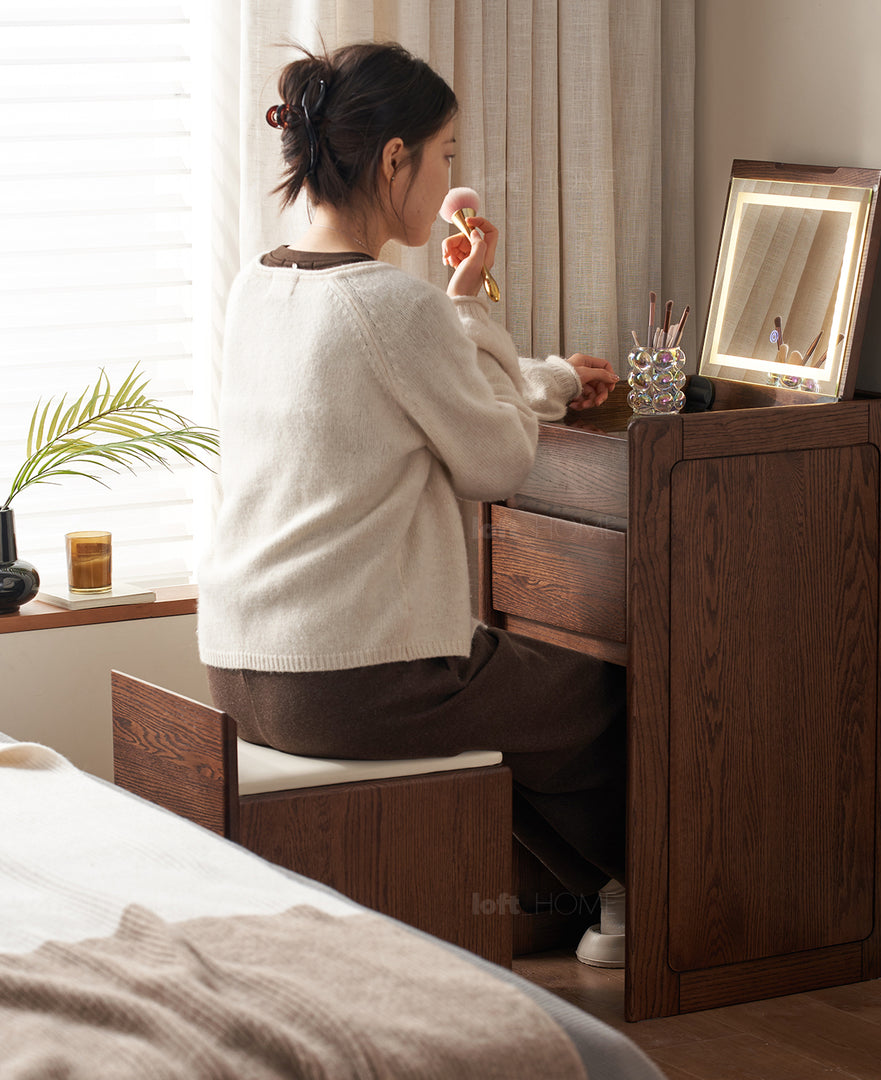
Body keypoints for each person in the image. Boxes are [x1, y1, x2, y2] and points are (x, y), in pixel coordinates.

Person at [196, 41, 627, 967]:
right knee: (599, 699)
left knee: (514, 702)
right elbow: (498, 458)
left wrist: (537, 371)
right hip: (355, 684)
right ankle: (645, 903)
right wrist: (468, 310)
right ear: (395, 158)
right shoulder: (396, 304)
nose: (448, 176)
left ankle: (571, 903)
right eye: (446, 154)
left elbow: (405, 402)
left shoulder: (255, 286)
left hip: (240, 672)